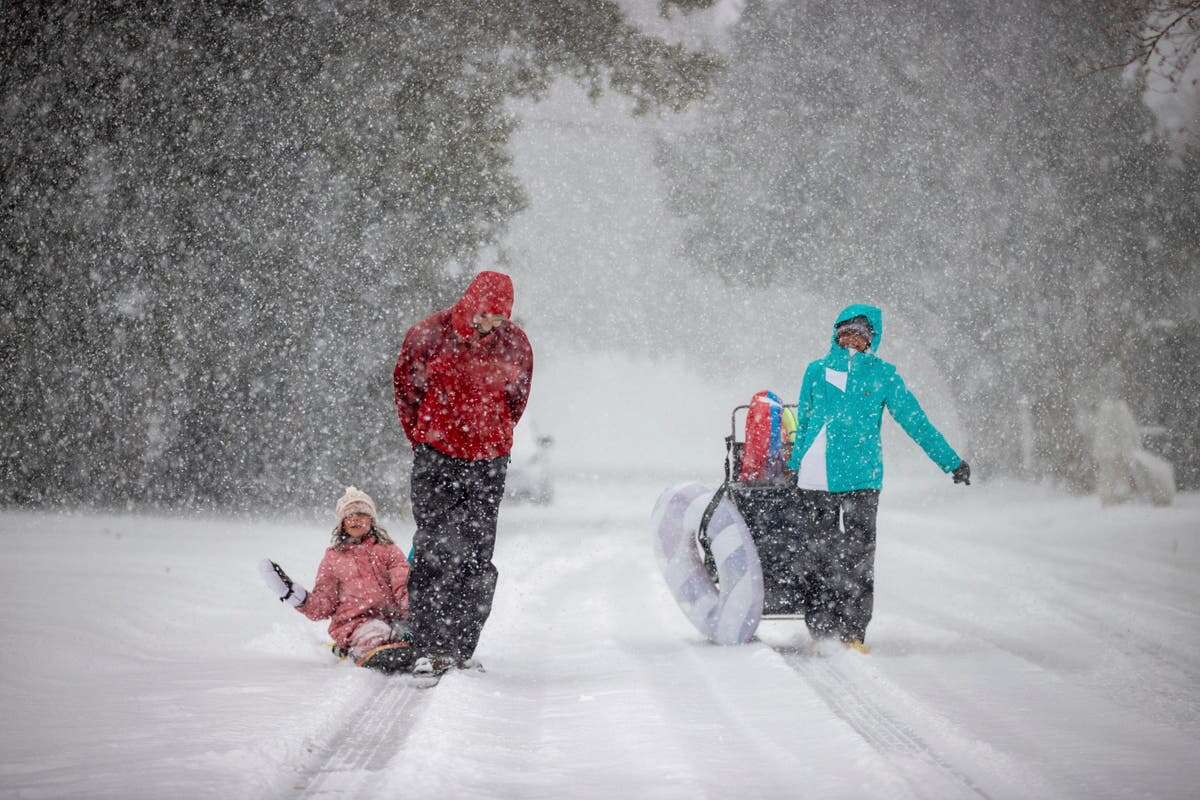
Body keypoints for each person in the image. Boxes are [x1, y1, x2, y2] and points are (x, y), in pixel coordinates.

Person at [785, 304, 970, 653]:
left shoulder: (883, 375)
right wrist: (794, 467)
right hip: (815, 476)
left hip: (862, 478)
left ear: (873, 338)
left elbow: (916, 421)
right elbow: (806, 420)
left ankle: (853, 633)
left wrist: (951, 462)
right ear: (837, 332)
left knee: (857, 556)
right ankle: (821, 631)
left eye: (862, 332)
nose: (853, 338)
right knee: (818, 555)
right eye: (848, 330)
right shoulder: (816, 370)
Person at [393, 270, 533, 670]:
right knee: (435, 547)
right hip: (436, 456)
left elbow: (516, 400)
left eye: (499, 318)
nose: (490, 325)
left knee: (476, 554)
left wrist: (492, 434)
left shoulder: (516, 345)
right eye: (485, 315)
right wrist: (425, 436)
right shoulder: (428, 335)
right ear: (470, 303)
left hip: (488, 461)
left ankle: (458, 648)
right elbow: (406, 392)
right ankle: (428, 645)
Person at [259, 486, 414, 670]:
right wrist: (296, 596)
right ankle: (377, 652)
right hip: (355, 622)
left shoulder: (388, 550)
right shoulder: (334, 558)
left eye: (361, 514)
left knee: (410, 631)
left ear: (371, 520)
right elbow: (324, 604)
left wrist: (413, 610)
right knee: (375, 633)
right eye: (349, 515)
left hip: (392, 617)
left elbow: (402, 584)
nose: (355, 519)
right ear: (342, 523)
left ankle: (406, 648)